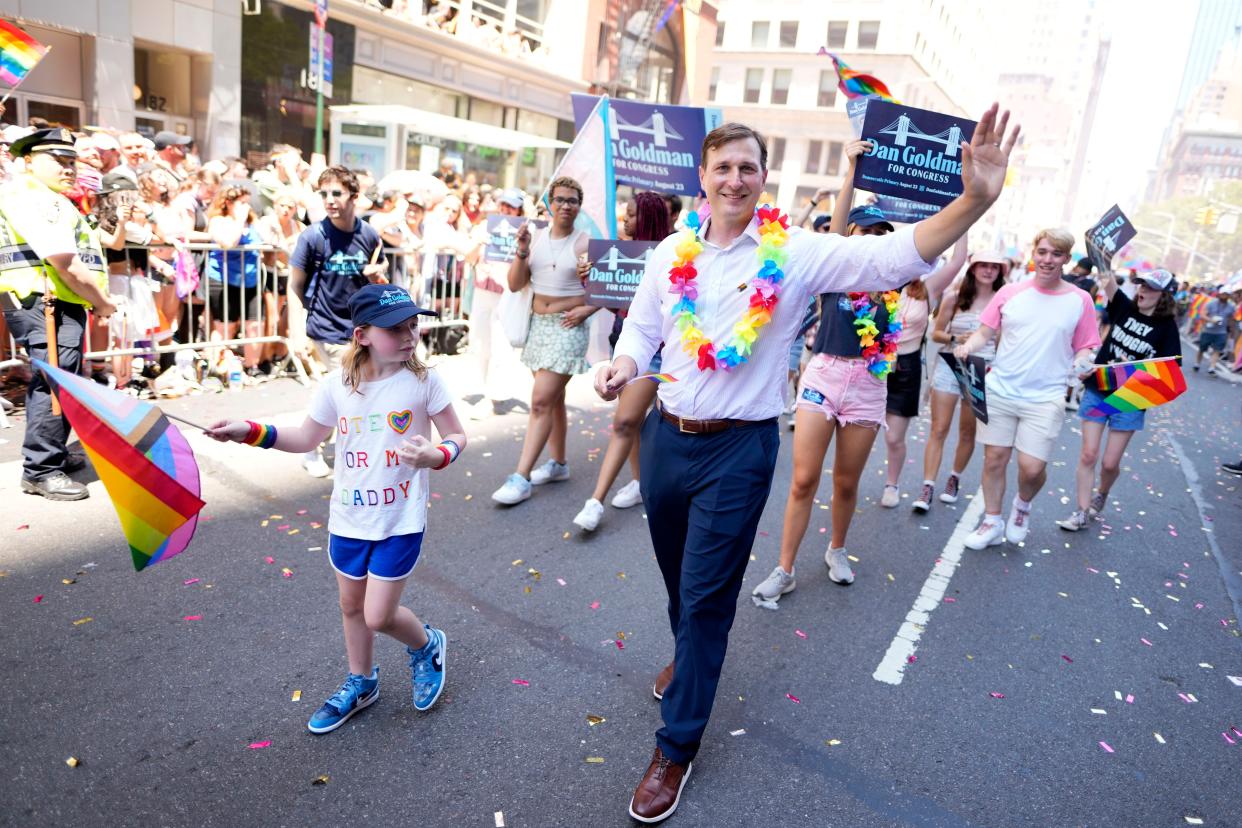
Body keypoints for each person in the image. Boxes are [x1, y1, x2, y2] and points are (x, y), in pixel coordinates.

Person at [595, 108, 1019, 822]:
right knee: (679, 580)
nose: (735, 178)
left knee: (705, 597)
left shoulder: (792, 253)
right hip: (666, 438)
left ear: (764, 180)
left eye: (748, 168)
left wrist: (975, 200)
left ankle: (676, 748)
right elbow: (643, 328)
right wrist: (623, 364)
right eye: (723, 166)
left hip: (740, 448)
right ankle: (689, 657)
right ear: (703, 177)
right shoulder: (672, 254)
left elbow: (891, 261)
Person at [204, 284, 463, 733]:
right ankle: (361, 682)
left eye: (413, 325)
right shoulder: (337, 386)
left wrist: (436, 456)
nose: (409, 335)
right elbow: (306, 439)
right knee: (351, 605)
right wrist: (247, 430)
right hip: (349, 517)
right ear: (362, 335)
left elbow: (458, 436)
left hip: (399, 518)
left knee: (378, 615)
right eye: (395, 329)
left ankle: (425, 646)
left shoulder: (424, 382)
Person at [954, 228, 1101, 550]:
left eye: (1057, 254)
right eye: (1043, 252)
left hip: (1045, 397)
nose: (1048, 260)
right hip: (1000, 390)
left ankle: (1022, 505)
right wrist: (968, 347)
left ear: (1066, 259)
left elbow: (1086, 345)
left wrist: (1083, 361)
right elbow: (984, 333)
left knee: (1032, 469)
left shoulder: (1080, 300)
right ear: (1034, 252)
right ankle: (992, 521)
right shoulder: (1009, 293)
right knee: (994, 459)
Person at [0, 128, 117, 500]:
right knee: (53, 382)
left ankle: (52, 454)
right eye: (58, 161)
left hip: (52, 299)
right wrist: (102, 301)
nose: (68, 168)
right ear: (29, 161)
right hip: (44, 300)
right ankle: (41, 469)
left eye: (71, 162)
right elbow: (65, 263)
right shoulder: (35, 197)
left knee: (61, 378)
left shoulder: (43, 195)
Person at [572, 192, 673, 532]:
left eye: (630, 215)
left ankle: (595, 501)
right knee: (632, 422)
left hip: (659, 351)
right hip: (625, 342)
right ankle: (638, 481)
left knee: (625, 421)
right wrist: (591, 278)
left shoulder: (672, 254)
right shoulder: (620, 251)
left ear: (645, 217)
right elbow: (615, 304)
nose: (625, 221)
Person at [491, 176, 594, 505]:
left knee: (539, 402)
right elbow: (514, 284)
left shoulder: (586, 242)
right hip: (538, 325)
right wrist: (521, 252)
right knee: (554, 400)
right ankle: (558, 463)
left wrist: (585, 308)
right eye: (560, 199)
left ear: (580, 206)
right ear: (550, 203)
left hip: (568, 324)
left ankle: (520, 477)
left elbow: (607, 291)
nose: (566, 205)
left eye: (573, 200)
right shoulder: (532, 237)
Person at [1058, 268, 1182, 531]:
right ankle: (1080, 511)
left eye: (1150, 288)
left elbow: (1170, 370)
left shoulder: (1167, 328)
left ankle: (1101, 492)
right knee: (1089, 454)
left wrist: (1134, 369)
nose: (1142, 291)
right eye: (1141, 286)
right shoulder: (1124, 307)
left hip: (1130, 399)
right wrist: (1102, 250)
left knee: (1109, 463)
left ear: (1164, 296)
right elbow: (1106, 278)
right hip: (1097, 390)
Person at [290, 166, 389, 477]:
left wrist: (378, 275)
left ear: (354, 197)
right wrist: (296, 332)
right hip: (326, 326)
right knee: (346, 389)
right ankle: (315, 448)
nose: (330, 200)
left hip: (360, 329)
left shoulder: (369, 234)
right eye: (324, 194)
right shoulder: (313, 237)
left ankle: (330, 447)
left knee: (346, 390)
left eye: (337, 193)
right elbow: (294, 286)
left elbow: (380, 278)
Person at [913, 250, 1009, 512]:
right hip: (950, 363)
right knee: (939, 428)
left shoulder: (1003, 303)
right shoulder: (954, 299)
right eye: (983, 266)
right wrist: (958, 339)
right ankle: (927, 486)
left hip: (982, 370)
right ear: (973, 268)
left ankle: (954, 478)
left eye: (994, 267)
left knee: (967, 431)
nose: (988, 271)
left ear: (1001, 272)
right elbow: (936, 334)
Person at [878, 232, 967, 507]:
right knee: (859, 433)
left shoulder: (926, 288)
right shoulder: (877, 283)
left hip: (906, 367)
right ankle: (847, 484)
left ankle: (891, 484)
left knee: (894, 437)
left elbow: (957, 261)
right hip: (873, 366)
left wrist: (962, 221)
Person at [464, 188, 525, 419]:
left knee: (500, 344)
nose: (506, 209)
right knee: (480, 343)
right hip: (482, 290)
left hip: (507, 295)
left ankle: (491, 397)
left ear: (519, 209)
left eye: (511, 206)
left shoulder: (523, 231)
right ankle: (483, 390)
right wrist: (478, 243)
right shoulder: (484, 227)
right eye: (503, 205)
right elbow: (468, 258)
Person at [1194, 289, 1235, 376]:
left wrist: (1231, 330)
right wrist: (1211, 320)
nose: (1224, 296)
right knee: (1202, 349)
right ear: (1219, 294)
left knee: (1217, 350)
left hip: (1221, 332)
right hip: (1208, 330)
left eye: (1226, 294)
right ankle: (1197, 363)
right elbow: (1202, 314)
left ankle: (1212, 368)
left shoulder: (1231, 307)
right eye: (1223, 294)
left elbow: (1231, 319)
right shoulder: (1211, 303)